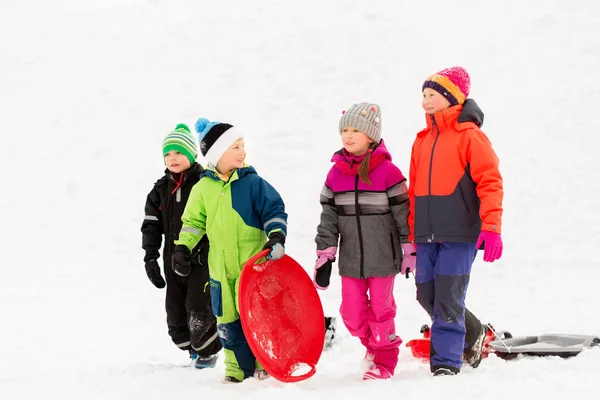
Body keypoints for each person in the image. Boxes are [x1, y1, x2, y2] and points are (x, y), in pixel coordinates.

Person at [173, 118, 288, 383]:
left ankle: (263, 361)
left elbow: (274, 210)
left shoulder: (253, 184)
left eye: (242, 145)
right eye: (235, 147)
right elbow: (192, 223)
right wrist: (182, 247)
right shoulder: (203, 188)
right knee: (227, 321)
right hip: (220, 270)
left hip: (254, 267)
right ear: (217, 154)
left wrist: (276, 235)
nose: (242, 152)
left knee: (259, 316)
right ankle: (236, 369)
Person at [407, 66, 504, 376]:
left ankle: (446, 363)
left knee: (449, 295)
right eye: (423, 95)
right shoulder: (421, 140)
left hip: (461, 233)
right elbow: (413, 192)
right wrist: (411, 236)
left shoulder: (471, 137)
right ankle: (474, 332)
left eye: (432, 95)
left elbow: (490, 181)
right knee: (426, 293)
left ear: (452, 98)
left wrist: (491, 227)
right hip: (425, 234)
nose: (425, 101)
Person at [313, 102, 412, 380]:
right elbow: (328, 217)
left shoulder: (389, 173)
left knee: (381, 309)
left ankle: (384, 358)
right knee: (352, 313)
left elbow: (404, 215)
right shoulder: (335, 174)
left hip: (383, 257)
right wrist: (325, 255)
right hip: (351, 258)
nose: (348, 135)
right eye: (345, 129)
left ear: (371, 135)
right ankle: (373, 345)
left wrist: (409, 249)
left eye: (355, 129)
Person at [141, 123, 222, 368]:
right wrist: (150, 257)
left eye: (178, 153)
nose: (172, 158)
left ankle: (206, 352)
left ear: (190, 154)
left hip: (201, 259)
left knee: (199, 308)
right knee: (176, 314)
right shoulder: (160, 189)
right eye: (167, 154)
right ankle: (192, 350)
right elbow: (151, 225)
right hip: (170, 260)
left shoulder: (204, 182)